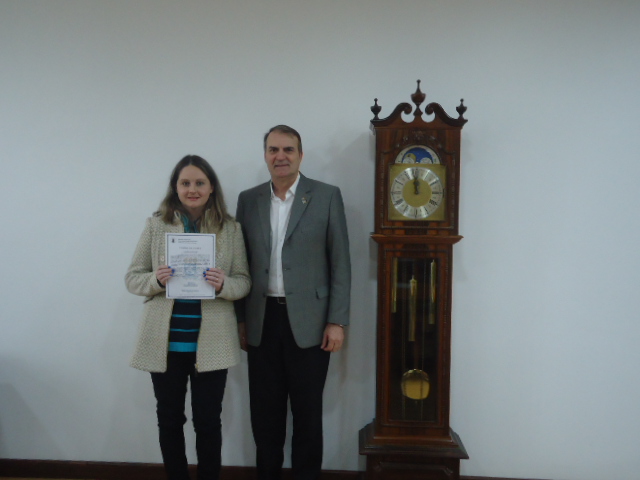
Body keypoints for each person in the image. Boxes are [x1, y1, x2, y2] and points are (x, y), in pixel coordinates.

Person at [235, 125, 351, 480]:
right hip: (262, 321)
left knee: (307, 414)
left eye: (288, 149)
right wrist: (241, 320)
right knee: (264, 414)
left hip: (311, 323)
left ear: (301, 155)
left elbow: (340, 262)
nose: (280, 156)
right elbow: (240, 262)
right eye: (273, 150)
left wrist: (337, 321)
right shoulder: (248, 199)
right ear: (265, 155)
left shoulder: (326, 196)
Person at [125, 155, 250, 480]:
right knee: (169, 419)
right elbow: (133, 278)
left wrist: (224, 285)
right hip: (165, 344)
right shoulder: (156, 225)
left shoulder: (230, 228)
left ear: (211, 188)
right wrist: (156, 279)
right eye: (185, 183)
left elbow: (244, 282)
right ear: (175, 187)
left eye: (199, 183)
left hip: (212, 343)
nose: (192, 189)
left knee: (208, 421)